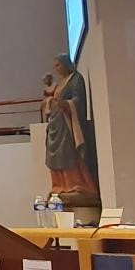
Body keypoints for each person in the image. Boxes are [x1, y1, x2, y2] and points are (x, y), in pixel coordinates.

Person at [41, 53, 97, 200]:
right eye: (55, 66)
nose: (56, 69)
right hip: (56, 123)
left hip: (68, 123)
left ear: (66, 63)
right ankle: (60, 185)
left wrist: (67, 104)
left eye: (58, 65)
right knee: (55, 154)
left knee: (69, 152)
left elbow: (78, 100)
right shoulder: (60, 83)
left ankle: (77, 184)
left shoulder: (76, 79)